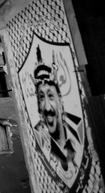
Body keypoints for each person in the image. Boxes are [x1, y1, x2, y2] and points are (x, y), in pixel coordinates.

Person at [32, 46, 82, 178]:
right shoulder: (41, 143)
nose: (47, 108)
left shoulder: (79, 130)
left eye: (51, 96)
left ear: (60, 100)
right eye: (41, 97)